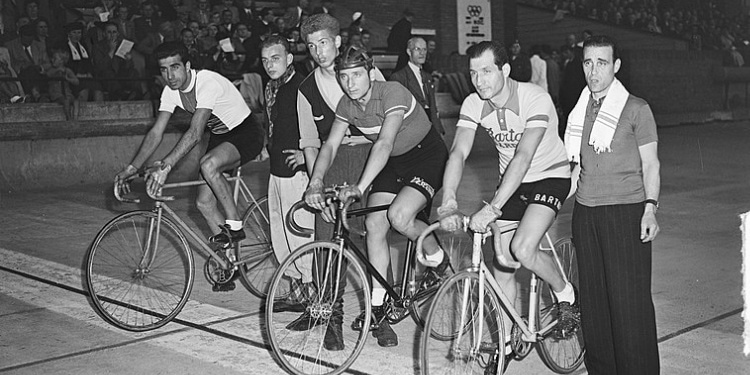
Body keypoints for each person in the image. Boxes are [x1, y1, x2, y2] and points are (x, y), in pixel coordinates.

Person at [303, 46, 450, 350]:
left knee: (399, 217)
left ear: (370, 72)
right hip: (394, 164)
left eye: (356, 75)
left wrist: (359, 186)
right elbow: (329, 145)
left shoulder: (391, 91)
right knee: (374, 224)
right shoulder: (346, 103)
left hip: (426, 157)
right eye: (344, 77)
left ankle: (438, 260)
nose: (350, 83)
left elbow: (383, 143)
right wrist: (315, 181)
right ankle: (379, 304)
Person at [437, 41, 579, 350]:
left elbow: (523, 156)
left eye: (487, 72)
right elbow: (459, 152)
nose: (479, 81)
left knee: (523, 247)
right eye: (474, 73)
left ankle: (565, 294)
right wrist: (448, 199)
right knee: (502, 261)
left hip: (549, 177)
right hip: (512, 184)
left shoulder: (534, 98)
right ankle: (505, 338)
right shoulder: (474, 103)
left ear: (505, 70)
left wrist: (493, 207)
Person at [114, 42, 264, 291]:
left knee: (208, 164)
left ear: (187, 66)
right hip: (220, 136)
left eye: (175, 67)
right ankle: (230, 265)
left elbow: (195, 133)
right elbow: (155, 133)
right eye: (163, 70)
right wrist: (131, 168)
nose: (169, 76)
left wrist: (166, 166)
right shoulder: (170, 92)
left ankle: (235, 226)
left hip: (246, 132)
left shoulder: (207, 82)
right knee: (203, 203)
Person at [565, 35, 661, 374]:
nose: (594, 71)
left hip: (626, 211)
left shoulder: (636, 108)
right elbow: (574, 165)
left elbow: (651, 164)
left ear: (616, 66)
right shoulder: (579, 110)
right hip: (585, 213)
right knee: (594, 304)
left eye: (602, 63)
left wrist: (650, 207)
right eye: (588, 63)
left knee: (629, 304)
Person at [259, 35, 316, 312]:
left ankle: (312, 297)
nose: (270, 65)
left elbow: (320, 127)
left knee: (301, 234)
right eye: (266, 60)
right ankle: (296, 293)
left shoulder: (301, 86)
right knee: (281, 234)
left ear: (289, 58)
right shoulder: (272, 87)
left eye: (276, 58)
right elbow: (275, 124)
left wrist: (306, 157)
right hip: (277, 170)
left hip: (298, 174)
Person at [389, 36, 444, 135]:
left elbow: (432, 107)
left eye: (424, 49)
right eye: (417, 49)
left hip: (431, 128)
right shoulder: (398, 77)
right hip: (412, 130)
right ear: (409, 52)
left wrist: (438, 129)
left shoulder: (427, 76)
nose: (422, 53)